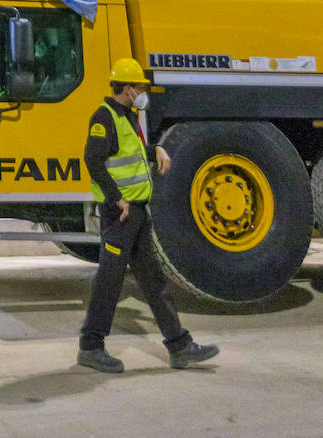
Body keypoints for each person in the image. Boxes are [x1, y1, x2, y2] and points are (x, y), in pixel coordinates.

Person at [77, 57, 219, 373]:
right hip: (120, 215)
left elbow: (131, 154)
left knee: (154, 281)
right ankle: (91, 346)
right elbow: (93, 161)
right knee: (109, 282)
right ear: (127, 88)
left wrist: (155, 149)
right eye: (140, 86)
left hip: (137, 215)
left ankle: (179, 346)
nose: (143, 92)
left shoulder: (129, 116)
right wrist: (117, 200)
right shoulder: (105, 118)